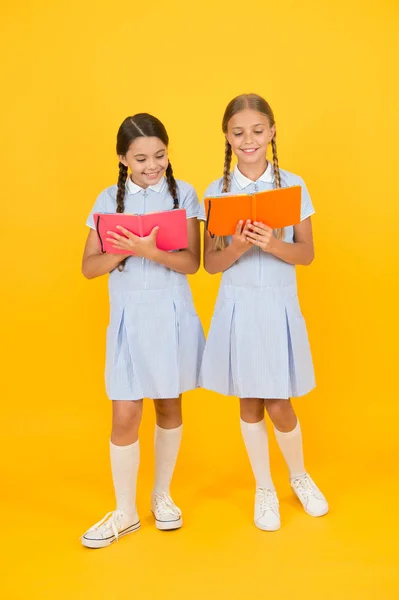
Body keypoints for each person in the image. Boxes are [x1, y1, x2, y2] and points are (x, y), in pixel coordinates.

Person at [200, 94, 328, 531]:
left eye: (257, 131)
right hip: (237, 306)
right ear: (227, 137)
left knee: (279, 401)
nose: (248, 140)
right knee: (250, 400)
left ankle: (299, 476)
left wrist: (272, 242)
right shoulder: (217, 191)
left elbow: (306, 253)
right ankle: (264, 487)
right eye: (238, 133)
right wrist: (237, 245)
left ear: (272, 131)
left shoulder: (291, 185)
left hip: (277, 304)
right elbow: (211, 264)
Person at [81, 113, 205, 548]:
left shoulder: (184, 193)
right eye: (140, 158)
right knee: (126, 413)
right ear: (122, 159)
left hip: (171, 315)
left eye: (159, 155)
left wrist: (151, 252)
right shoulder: (106, 199)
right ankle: (125, 511)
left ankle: (162, 496)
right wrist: (124, 252)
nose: (152, 166)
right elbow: (89, 268)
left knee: (169, 406)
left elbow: (193, 263)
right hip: (129, 319)